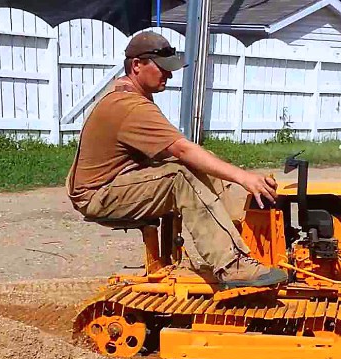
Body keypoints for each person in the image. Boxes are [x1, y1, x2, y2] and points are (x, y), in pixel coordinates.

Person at [66, 31, 287, 289]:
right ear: (137, 65)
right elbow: (182, 150)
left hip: (117, 183)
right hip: (98, 195)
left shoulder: (127, 94)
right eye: (162, 68)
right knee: (180, 176)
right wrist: (244, 177)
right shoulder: (130, 106)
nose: (169, 75)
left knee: (200, 163)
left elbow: (178, 152)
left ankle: (247, 238)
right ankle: (233, 265)